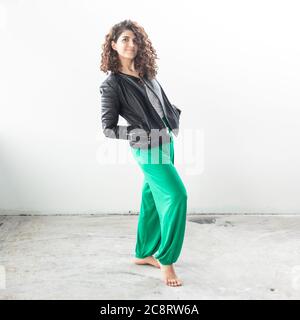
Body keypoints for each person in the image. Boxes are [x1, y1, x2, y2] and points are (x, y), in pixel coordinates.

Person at [99, 19, 188, 287]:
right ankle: (167, 261)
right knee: (176, 195)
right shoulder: (112, 84)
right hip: (148, 147)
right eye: (125, 39)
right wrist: (142, 134)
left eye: (135, 39)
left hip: (166, 140)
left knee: (151, 199)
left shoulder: (146, 73)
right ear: (113, 45)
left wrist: (173, 116)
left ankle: (142, 253)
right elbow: (108, 128)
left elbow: (158, 105)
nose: (131, 44)